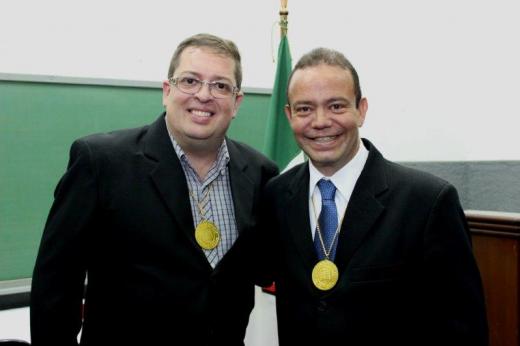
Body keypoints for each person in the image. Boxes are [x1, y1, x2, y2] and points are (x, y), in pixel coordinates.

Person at [30, 33, 278, 346]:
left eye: (220, 85)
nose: (204, 95)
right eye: (190, 80)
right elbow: (56, 285)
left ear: (236, 102)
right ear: (166, 90)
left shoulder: (260, 173)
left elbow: (263, 268)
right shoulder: (101, 162)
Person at [254, 48, 488, 345]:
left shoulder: (427, 202)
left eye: (336, 106)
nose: (321, 121)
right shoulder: (276, 196)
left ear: (361, 110)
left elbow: (463, 329)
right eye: (304, 109)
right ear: (289, 116)